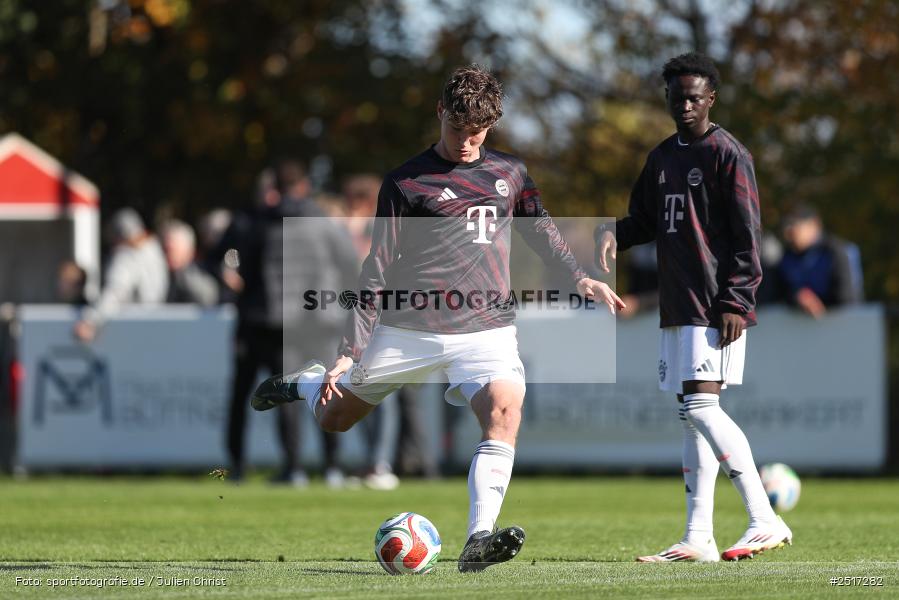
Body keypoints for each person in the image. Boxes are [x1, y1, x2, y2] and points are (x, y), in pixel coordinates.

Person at [251, 64, 624, 571]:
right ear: (440, 112)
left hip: (487, 329)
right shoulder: (406, 183)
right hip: (410, 328)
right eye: (458, 129)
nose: (468, 143)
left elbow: (538, 225)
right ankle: (307, 384)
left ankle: (478, 539)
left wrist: (578, 275)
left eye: (479, 133)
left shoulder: (510, 172)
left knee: (504, 412)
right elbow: (376, 268)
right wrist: (346, 352)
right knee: (335, 419)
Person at [595, 52, 792, 562]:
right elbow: (644, 222)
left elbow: (750, 236)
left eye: (694, 97)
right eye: (677, 96)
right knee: (690, 416)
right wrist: (608, 231)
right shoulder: (661, 158)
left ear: (711, 100)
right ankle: (697, 537)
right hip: (677, 303)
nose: (685, 105)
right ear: (666, 98)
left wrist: (737, 297)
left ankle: (764, 518)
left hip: (715, 304)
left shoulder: (729, 154)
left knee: (702, 407)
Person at [214, 162, 356, 487]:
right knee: (327, 390)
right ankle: (332, 466)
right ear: (305, 185)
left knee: (279, 395)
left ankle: (288, 468)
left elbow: (233, 263)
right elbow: (350, 266)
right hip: (318, 320)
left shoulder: (257, 221)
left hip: (269, 321)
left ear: (274, 186)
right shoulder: (325, 223)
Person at [74, 208, 168, 341]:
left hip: (131, 330)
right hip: (156, 327)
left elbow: (116, 290)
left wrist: (91, 320)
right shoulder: (154, 250)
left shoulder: (126, 256)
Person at [776, 204, 861, 317]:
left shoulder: (837, 252)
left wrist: (817, 303)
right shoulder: (786, 256)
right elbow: (778, 292)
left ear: (814, 225)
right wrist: (797, 296)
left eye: (796, 225)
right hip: (799, 327)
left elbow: (848, 299)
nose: (790, 232)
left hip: (837, 325)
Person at [160, 219, 219, 306]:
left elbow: (207, 300)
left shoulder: (202, 284)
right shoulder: (157, 276)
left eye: (172, 250)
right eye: (164, 250)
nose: (167, 255)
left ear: (190, 252)